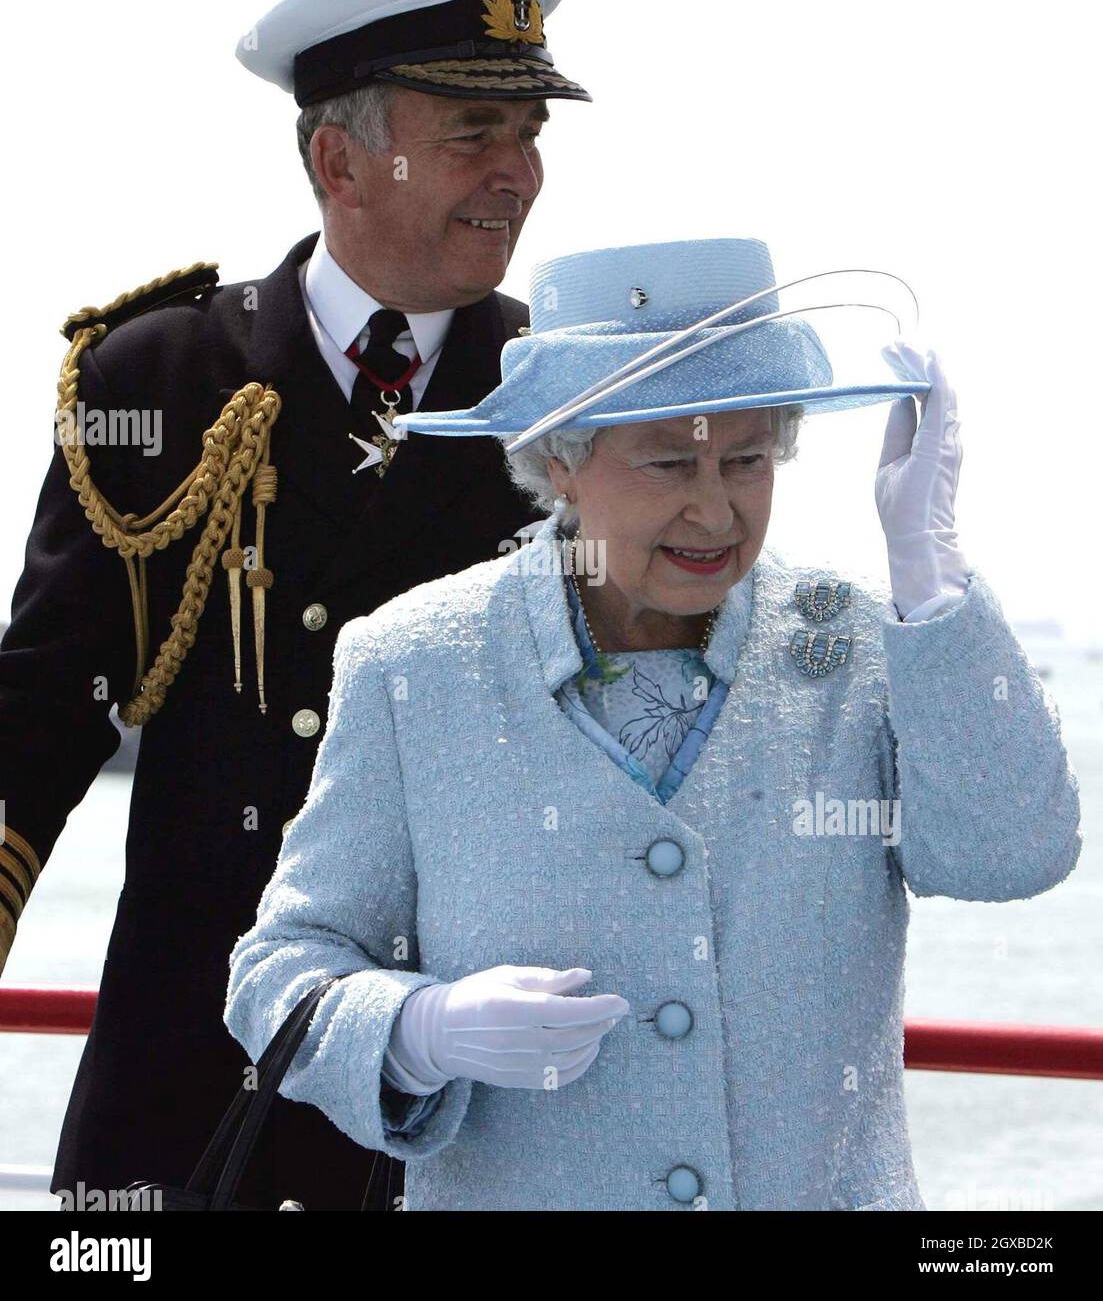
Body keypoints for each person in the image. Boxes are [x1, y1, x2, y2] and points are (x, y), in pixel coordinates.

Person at [224, 236, 1081, 1210]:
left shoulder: (849, 639)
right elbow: (279, 971)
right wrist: (421, 1027)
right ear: (561, 457)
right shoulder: (412, 664)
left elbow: (1011, 853)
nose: (712, 509)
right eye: (669, 462)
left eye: (747, 458)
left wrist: (930, 579)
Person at [0, 0, 590, 1211]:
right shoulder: (149, 385)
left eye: (530, 135)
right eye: (473, 135)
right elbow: (43, 713)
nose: (518, 175)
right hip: (189, 1065)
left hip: (456, 1079)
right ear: (339, 156)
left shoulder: (567, 405)